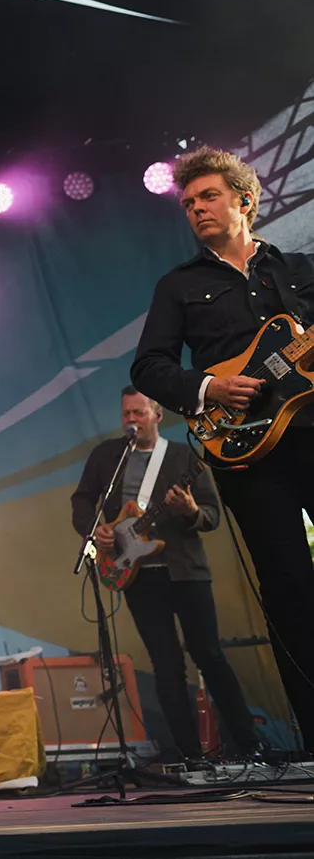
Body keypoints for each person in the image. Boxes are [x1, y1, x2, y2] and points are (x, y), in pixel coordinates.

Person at [132, 144, 314, 754]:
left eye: (209, 196)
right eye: (188, 203)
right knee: (288, 590)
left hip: (312, 429)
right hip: (247, 454)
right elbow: (150, 367)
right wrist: (210, 387)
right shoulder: (179, 286)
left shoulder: (299, 269)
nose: (197, 209)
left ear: (245, 200)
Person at [70, 386, 258, 763]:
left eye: (139, 413)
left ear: (157, 415)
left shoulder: (184, 456)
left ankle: (251, 745)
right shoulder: (107, 456)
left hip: (186, 571)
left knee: (209, 655)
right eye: (126, 414)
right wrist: (96, 530)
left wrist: (190, 509)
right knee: (166, 665)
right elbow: (82, 500)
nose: (131, 420)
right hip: (137, 576)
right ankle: (189, 755)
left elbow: (211, 515)